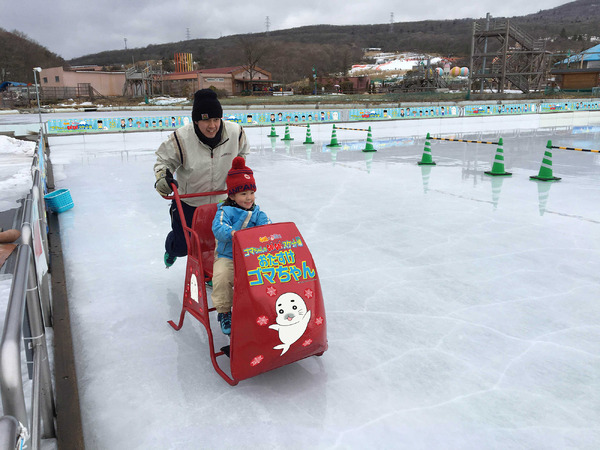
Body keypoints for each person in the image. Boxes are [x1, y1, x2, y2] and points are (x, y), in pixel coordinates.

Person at [154, 89, 249, 268]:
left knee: (218, 242)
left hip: (223, 202)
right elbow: (163, 161)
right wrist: (162, 178)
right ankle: (172, 249)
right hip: (190, 202)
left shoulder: (235, 132)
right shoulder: (181, 138)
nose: (212, 125)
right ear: (196, 120)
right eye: (206, 120)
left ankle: (212, 273)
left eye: (216, 119)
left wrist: (239, 168)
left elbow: (243, 153)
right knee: (184, 246)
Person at [211, 157, 270, 335]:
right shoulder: (224, 211)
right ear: (232, 196)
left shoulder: (257, 212)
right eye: (243, 194)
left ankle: (266, 306)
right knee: (222, 276)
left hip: (251, 257)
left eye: (251, 193)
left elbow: (267, 225)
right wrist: (232, 234)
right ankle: (224, 311)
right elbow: (218, 228)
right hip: (228, 256)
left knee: (269, 273)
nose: (249, 198)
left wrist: (271, 235)